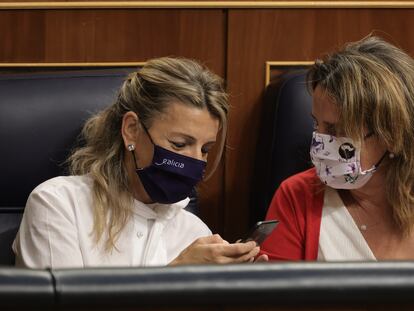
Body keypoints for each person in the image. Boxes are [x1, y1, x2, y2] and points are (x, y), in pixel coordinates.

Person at [13, 57, 263, 268]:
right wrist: (176, 274)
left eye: (206, 149)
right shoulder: (58, 204)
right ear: (132, 129)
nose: (195, 160)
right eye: (178, 144)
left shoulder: (196, 233)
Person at [260, 36, 414, 260]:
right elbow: (275, 293)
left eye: (335, 129)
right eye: (316, 124)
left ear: (392, 134)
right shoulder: (297, 196)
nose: (319, 141)